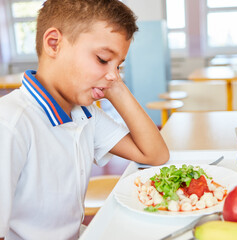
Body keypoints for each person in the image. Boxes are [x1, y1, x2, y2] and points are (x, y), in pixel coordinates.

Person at [0, 0, 169, 239]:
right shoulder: (10, 123)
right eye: (102, 59)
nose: (113, 74)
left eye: (119, 65)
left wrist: (112, 83)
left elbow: (155, 154)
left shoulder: (83, 114)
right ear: (53, 44)